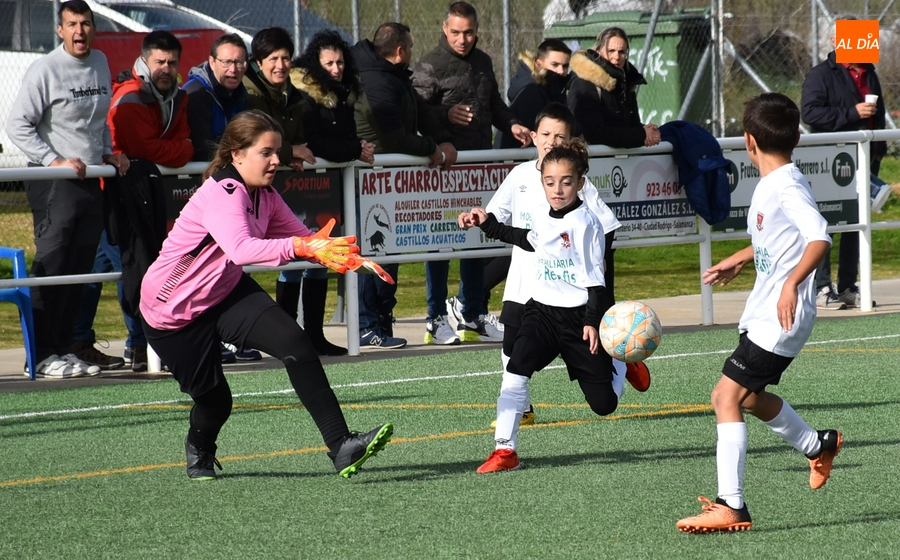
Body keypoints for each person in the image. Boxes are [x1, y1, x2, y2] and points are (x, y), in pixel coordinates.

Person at [139, 109, 393, 480]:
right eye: (266, 153)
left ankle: (341, 446)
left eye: (278, 152)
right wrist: (302, 247)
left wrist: (340, 254)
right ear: (237, 155)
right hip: (174, 313)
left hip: (223, 290)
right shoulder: (225, 193)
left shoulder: (266, 195)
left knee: (296, 342)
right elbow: (242, 250)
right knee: (215, 403)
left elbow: (305, 240)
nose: (277, 160)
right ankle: (199, 448)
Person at [676, 93, 842, 534]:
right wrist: (742, 258)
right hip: (768, 314)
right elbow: (779, 240)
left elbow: (819, 238)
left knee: (723, 398)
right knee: (747, 398)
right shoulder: (776, 183)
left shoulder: (786, 186)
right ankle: (816, 444)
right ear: (797, 137)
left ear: (748, 141)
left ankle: (732, 504)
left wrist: (790, 284)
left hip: (780, 318)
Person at [458, 102, 651, 428]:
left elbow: (605, 233)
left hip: (568, 296)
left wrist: (598, 295)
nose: (550, 141)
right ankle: (521, 414)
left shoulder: (577, 185)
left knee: (598, 398)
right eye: (545, 134)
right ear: (534, 136)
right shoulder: (519, 175)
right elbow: (499, 219)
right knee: (510, 349)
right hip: (524, 285)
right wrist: (480, 219)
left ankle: (615, 358)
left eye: (559, 136)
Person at [461, 138, 626, 473]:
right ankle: (505, 451)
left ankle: (620, 357)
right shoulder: (539, 213)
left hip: (579, 319)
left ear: (580, 183)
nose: (558, 189)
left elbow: (596, 281)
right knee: (514, 371)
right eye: (550, 182)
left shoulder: (587, 224)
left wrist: (594, 322)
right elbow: (524, 239)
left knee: (604, 405)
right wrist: (486, 223)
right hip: (541, 313)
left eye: (566, 182)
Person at [6, 0, 130, 378]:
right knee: (52, 266)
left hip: (92, 180)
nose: (80, 31)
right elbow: (17, 126)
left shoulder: (100, 62)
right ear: (60, 30)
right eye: (72, 24)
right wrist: (53, 161)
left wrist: (110, 151)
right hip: (55, 185)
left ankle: (63, 348)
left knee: (79, 269)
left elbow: (94, 123)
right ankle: (40, 354)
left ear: (94, 28)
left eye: (86, 23)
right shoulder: (45, 70)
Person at [71, 30, 194, 374]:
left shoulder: (176, 97)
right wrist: (179, 150)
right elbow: (148, 149)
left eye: (172, 62)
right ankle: (138, 345)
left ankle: (84, 339)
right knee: (134, 266)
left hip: (137, 192)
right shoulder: (130, 97)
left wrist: (177, 149)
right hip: (114, 195)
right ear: (144, 60)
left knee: (102, 269)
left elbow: (182, 143)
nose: (166, 68)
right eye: (159, 62)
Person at [411, 1, 531, 347]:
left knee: (478, 237)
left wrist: (513, 125)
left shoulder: (482, 62)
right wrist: (445, 117)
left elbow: (493, 104)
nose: (462, 39)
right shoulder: (430, 65)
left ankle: (473, 312)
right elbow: (418, 112)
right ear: (444, 30)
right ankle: (435, 316)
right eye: (456, 32)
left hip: (478, 168)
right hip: (444, 170)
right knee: (440, 242)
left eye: (469, 32)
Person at [353, 22, 457, 349]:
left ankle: (381, 322)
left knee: (387, 252)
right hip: (371, 182)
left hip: (388, 184)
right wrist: (432, 149)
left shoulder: (393, 76)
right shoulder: (377, 81)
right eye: (410, 47)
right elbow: (394, 136)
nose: (411, 53)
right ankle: (367, 325)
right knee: (371, 253)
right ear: (400, 51)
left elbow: (422, 113)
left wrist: (443, 139)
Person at [244, 27, 347, 356]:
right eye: (273, 58)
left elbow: (300, 138)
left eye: (286, 57)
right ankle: (287, 338)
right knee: (287, 258)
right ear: (258, 62)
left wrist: (293, 152)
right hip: (259, 191)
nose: (280, 64)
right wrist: (289, 153)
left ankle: (312, 335)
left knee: (314, 253)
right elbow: (256, 140)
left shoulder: (293, 94)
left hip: (291, 187)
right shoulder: (251, 93)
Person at [801, 15, 888, 310]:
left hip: (865, 157)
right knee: (826, 221)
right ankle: (822, 286)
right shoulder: (821, 75)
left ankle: (848, 285)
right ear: (835, 41)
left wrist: (879, 148)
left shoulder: (869, 72)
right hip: (832, 159)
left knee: (856, 221)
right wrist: (853, 112)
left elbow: (878, 113)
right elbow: (811, 114)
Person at [568, 26, 661, 149]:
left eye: (621, 52)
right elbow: (593, 133)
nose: (616, 57)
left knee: (676, 131)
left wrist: (649, 132)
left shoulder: (627, 82)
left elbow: (630, 126)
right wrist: (642, 134)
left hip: (622, 162)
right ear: (597, 51)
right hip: (592, 161)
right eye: (611, 51)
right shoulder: (584, 83)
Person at [493, 39, 572, 150]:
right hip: (518, 159)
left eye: (565, 66)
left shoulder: (554, 88)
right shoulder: (532, 92)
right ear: (539, 63)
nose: (561, 71)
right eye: (555, 64)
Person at [184, 33, 251, 162]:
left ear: (246, 66)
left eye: (239, 62)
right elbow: (203, 149)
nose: (233, 69)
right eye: (226, 62)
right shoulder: (196, 93)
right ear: (212, 62)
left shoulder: (243, 95)